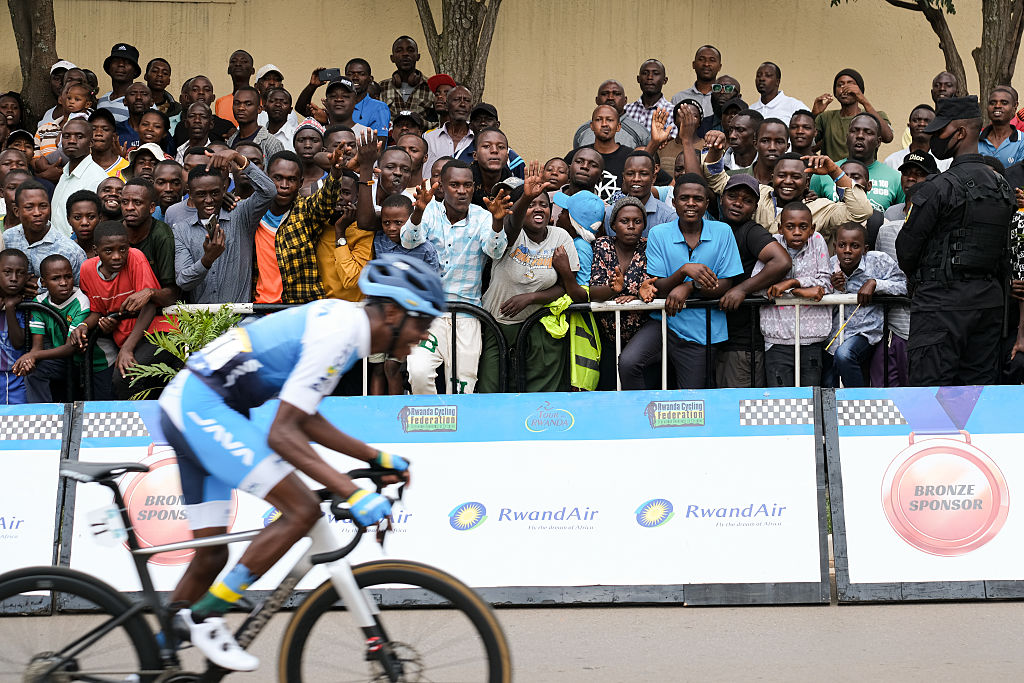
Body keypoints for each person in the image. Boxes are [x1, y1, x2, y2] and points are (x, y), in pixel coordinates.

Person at [155, 254, 438, 671]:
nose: (423, 336)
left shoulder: (345, 326)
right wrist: (352, 492)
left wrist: (374, 457)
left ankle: (155, 661)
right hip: (202, 409)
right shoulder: (340, 335)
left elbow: (304, 417)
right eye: (421, 324)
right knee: (302, 509)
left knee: (211, 556)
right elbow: (283, 433)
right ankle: (205, 615)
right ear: (393, 313)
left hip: (194, 405)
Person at [896, 96, 1014, 386]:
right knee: (976, 402)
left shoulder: (938, 188)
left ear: (960, 133)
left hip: (940, 308)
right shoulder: (1003, 187)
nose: (933, 137)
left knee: (930, 404)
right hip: (987, 307)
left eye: (940, 132)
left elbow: (906, 250)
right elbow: (1004, 254)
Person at [619, 174, 742, 389]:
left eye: (698, 198)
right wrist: (684, 271)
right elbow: (659, 285)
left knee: (691, 399)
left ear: (706, 203)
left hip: (702, 329)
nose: (691, 203)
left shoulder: (723, 232)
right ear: (674, 202)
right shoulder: (659, 233)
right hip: (664, 321)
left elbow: (725, 285)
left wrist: (689, 285)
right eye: (684, 198)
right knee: (629, 363)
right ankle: (641, 416)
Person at [401, 159, 510, 394]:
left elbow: (496, 251)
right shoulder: (428, 211)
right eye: (455, 185)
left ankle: (456, 430)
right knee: (418, 373)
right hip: (428, 313)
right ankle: (428, 425)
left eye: (467, 185)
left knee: (462, 386)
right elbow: (408, 241)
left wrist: (498, 222)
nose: (462, 191)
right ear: (441, 186)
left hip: (467, 315)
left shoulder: (483, 216)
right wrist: (417, 212)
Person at [478, 163, 577, 393]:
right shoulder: (510, 234)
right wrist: (525, 198)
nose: (538, 209)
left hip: (536, 326)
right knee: (492, 387)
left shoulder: (560, 237)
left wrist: (531, 297)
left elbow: (565, 287)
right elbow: (512, 226)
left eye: (543, 204)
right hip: (498, 324)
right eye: (532, 205)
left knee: (535, 393)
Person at [76, 221, 177, 400]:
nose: (117, 256)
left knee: (125, 377)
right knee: (123, 381)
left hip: (158, 334)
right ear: (96, 249)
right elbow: (97, 312)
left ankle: (145, 425)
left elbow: (149, 306)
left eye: (122, 250)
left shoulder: (135, 257)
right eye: (109, 251)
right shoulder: (87, 270)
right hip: (127, 339)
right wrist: (85, 325)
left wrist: (127, 349)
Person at [716, 175, 792, 388]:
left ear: (755, 208)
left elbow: (781, 261)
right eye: (732, 196)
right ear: (721, 199)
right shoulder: (714, 228)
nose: (738, 203)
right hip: (715, 339)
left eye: (747, 200)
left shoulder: (751, 231)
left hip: (742, 342)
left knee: (738, 411)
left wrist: (741, 289)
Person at [173, 149, 275, 304]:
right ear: (191, 194)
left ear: (224, 190)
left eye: (214, 193)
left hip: (239, 320)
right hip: (201, 323)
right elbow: (183, 281)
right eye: (201, 194)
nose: (209, 200)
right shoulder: (181, 230)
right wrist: (207, 260)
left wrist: (237, 157)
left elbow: (269, 191)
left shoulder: (241, 215)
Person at [368, 193, 440, 395]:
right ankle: (376, 410)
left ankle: (394, 410)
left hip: (407, 317)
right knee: (377, 367)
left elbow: (433, 281)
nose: (391, 228)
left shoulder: (425, 248)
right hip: (381, 316)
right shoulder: (379, 241)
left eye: (398, 223)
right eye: (386, 222)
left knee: (392, 366)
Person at [755, 202, 832, 387]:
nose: (797, 232)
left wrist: (795, 282)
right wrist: (798, 291)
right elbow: (757, 284)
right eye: (790, 227)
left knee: (809, 399)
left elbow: (826, 285)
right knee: (782, 402)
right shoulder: (771, 243)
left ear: (812, 229)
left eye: (803, 227)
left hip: (811, 337)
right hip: (777, 338)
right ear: (780, 228)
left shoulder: (818, 241)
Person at [13, 254, 107, 401]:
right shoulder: (39, 302)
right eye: (56, 278)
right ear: (43, 283)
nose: (63, 283)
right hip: (64, 361)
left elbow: (71, 347)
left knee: (99, 407)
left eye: (68, 277)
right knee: (33, 371)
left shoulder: (81, 301)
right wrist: (30, 359)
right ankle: (43, 417)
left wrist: (34, 356)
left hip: (92, 363)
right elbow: (37, 347)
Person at [826, 222, 907, 387]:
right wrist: (834, 289)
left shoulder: (879, 261)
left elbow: (904, 285)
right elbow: (819, 295)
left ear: (865, 249)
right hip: (834, 335)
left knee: (844, 355)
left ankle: (858, 402)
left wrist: (876, 283)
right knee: (828, 383)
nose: (847, 250)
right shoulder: (829, 265)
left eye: (854, 246)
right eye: (842, 245)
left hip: (867, 332)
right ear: (835, 247)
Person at [590, 196, 655, 390]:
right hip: (607, 338)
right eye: (624, 221)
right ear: (613, 224)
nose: (631, 226)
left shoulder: (650, 246)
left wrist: (637, 297)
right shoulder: (603, 245)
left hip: (642, 338)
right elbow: (593, 292)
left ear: (644, 224)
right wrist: (612, 290)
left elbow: (655, 284)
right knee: (610, 394)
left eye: (637, 221)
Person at [275, 144, 352, 304]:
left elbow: (325, 200)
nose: (284, 185)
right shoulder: (254, 213)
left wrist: (335, 172)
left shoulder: (305, 209)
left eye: (291, 179)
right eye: (277, 178)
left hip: (303, 307)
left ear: (301, 183)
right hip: (261, 308)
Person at [810, 113, 905, 212]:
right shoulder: (824, 174)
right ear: (847, 137)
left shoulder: (895, 178)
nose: (860, 136)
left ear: (878, 141)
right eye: (854, 131)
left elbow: (899, 217)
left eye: (868, 132)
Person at [4, 179, 87, 285]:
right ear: (17, 211)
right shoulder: (7, 239)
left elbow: (82, 291)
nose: (37, 213)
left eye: (43, 206)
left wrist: (43, 287)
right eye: (29, 207)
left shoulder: (70, 251)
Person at [120, 176, 178, 305]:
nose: (129, 207)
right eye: (124, 202)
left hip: (154, 310)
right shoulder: (114, 233)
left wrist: (150, 293)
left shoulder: (161, 235)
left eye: (137, 202)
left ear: (152, 208)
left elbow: (173, 293)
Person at [812, 69, 893, 160]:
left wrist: (864, 101)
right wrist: (814, 115)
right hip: (831, 173)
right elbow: (809, 145)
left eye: (850, 84)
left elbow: (888, 137)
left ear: (860, 89)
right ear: (835, 92)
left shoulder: (875, 115)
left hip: (864, 173)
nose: (845, 88)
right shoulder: (826, 117)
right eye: (840, 85)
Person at [49, 118, 109, 238]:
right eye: (66, 136)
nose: (71, 141)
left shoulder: (97, 178)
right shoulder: (65, 174)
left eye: (79, 136)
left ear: (91, 143)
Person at [565, 105, 637, 202]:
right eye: (599, 120)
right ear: (591, 126)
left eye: (610, 120)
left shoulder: (630, 157)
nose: (604, 124)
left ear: (618, 126)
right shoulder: (576, 155)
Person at [603, 150, 676, 236]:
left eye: (643, 174)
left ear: (653, 178)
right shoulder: (608, 215)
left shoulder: (668, 218)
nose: (636, 179)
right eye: (630, 174)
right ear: (623, 178)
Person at [573, 80, 651, 149]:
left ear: (625, 100)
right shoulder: (583, 131)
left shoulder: (640, 132)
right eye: (604, 94)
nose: (610, 97)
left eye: (616, 94)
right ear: (597, 100)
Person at [455, 103, 526, 179]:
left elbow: (521, 187)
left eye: (488, 119)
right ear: (471, 126)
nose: (483, 123)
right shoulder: (458, 156)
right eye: (478, 119)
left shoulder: (512, 159)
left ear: (497, 125)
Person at [422, 86, 474, 179]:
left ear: (471, 107)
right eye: (456, 100)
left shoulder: (478, 138)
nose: (462, 104)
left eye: (466, 100)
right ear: (446, 105)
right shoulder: (429, 137)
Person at [378, 36, 434, 119]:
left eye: (410, 50)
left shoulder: (431, 86)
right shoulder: (381, 87)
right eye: (399, 50)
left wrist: (420, 123)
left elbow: (439, 123)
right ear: (392, 58)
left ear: (418, 56)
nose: (405, 54)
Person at [670, 45, 723, 133]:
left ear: (719, 67)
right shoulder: (679, 98)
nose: (706, 64)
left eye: (712, 60)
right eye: (701, 59)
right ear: (693, 64)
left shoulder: (724, 97)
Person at [884, 104, 951, 173]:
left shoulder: (946, 162)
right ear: (909, 126)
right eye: (916, 120)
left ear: (935, 128)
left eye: (927, 121)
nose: (922, 124)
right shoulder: (891, 161)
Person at [172, 77, 236, 147]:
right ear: (187, 97)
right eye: (195, 90)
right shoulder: (181, 127)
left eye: (207, 90)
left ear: (213, 97)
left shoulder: (226, 126)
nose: (201, 92)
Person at [0, 248, 28, 404]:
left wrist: (10, 309)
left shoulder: (26, 306)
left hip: (15, 378)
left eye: (20, 273)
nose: (13, 278)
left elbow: (18, 343)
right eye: (7, 272)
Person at [226, 86, 285, 160]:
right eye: (237, 103)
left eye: (248, 104)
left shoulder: (271, 144)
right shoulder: (230, 141)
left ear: (259, 109)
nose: (241, 108)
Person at [883, 151, 939, 222]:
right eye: (906, 173)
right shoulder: (891, 213)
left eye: (919, 174)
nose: (911, 178)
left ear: (932, 178)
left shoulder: (938, 215)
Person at [626, 59, 676, 137]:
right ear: (638, 79)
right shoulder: (626, 110)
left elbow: (671, 145)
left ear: (665, 80)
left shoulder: (673, 113)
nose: (649, 77)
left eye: (655, 74)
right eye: (645, 73)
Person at [979, 86, 1024, 168]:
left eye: (1004, 103)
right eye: (992, 103)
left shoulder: (1022, 141)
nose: (997, 106)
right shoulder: (975, 139)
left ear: (1014, 107)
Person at [344, 58, 390, 138]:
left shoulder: (379, 107)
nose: (355, 77)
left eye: (361, 74)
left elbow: (380, 144)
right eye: (350, 74)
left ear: (370, 79)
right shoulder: (339, 104)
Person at [97, 43, 141, 122]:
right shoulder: (102, 101)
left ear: (135, 71)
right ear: (109, 68)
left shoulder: (141, 102)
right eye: (116, 61)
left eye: (127, 62)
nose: (121, 64)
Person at [214, 50, 255, 126]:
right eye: (233, 61)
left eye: (244, 61)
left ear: (253, 71)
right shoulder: (220, 102)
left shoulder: (259, 99)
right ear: (228, 70)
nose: (238, 64)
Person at [88, 109, 129, 178]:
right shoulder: (81, 165)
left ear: (114, 136)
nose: (98, 133)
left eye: (105, 129)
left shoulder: (126, 169)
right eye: (93, 129)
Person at [66, 189, 102, 258]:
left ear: (100, 218)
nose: (84, 223)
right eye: (77, 217)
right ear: (68, 219)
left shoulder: (110, 251)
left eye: (91, 217)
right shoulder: (64, 252)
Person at [262, 88, 297, 152]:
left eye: (284, 102)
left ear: (290, 110)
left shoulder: (296, 136)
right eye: (272, 101)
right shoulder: (258, 134)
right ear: (264, 107)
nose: (278, 104)